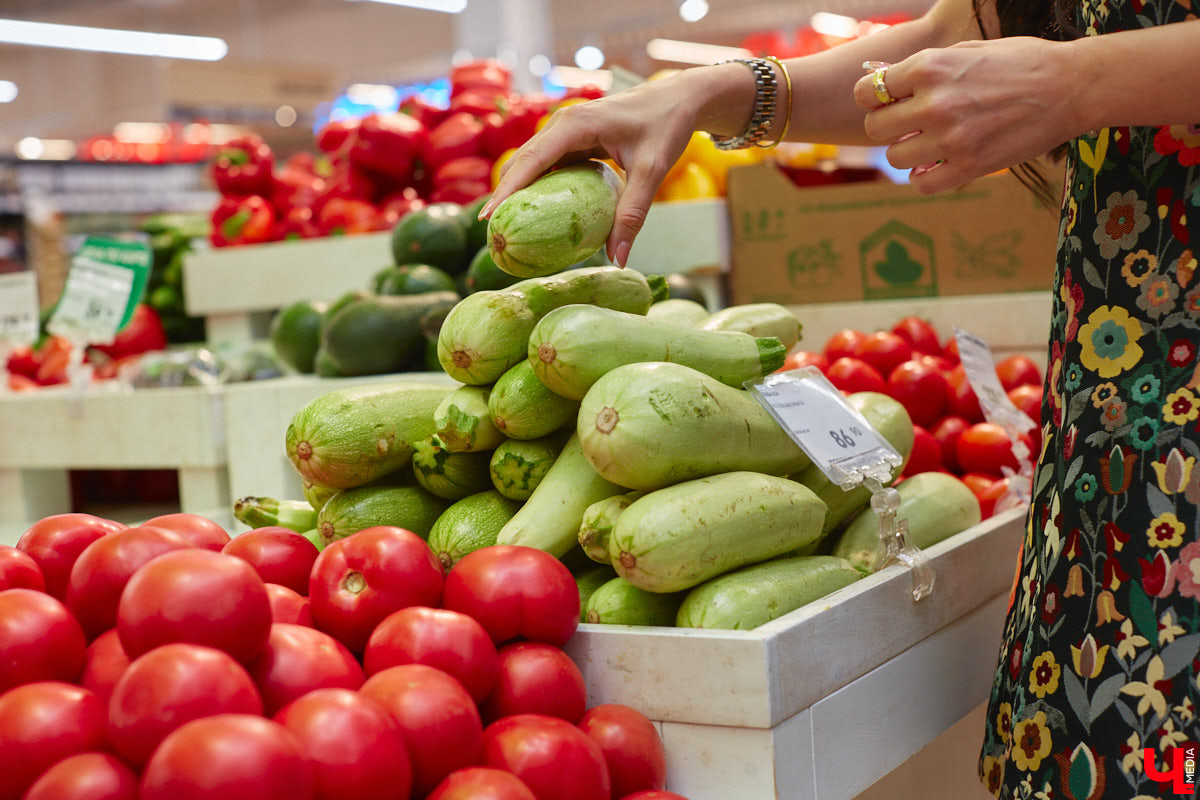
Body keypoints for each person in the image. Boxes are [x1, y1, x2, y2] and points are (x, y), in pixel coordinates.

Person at [482, 0, 1200, 797]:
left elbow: (1051, 56)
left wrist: (1080, 81)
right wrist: (712, 92)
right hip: (1115, 412)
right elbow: (958, 35)